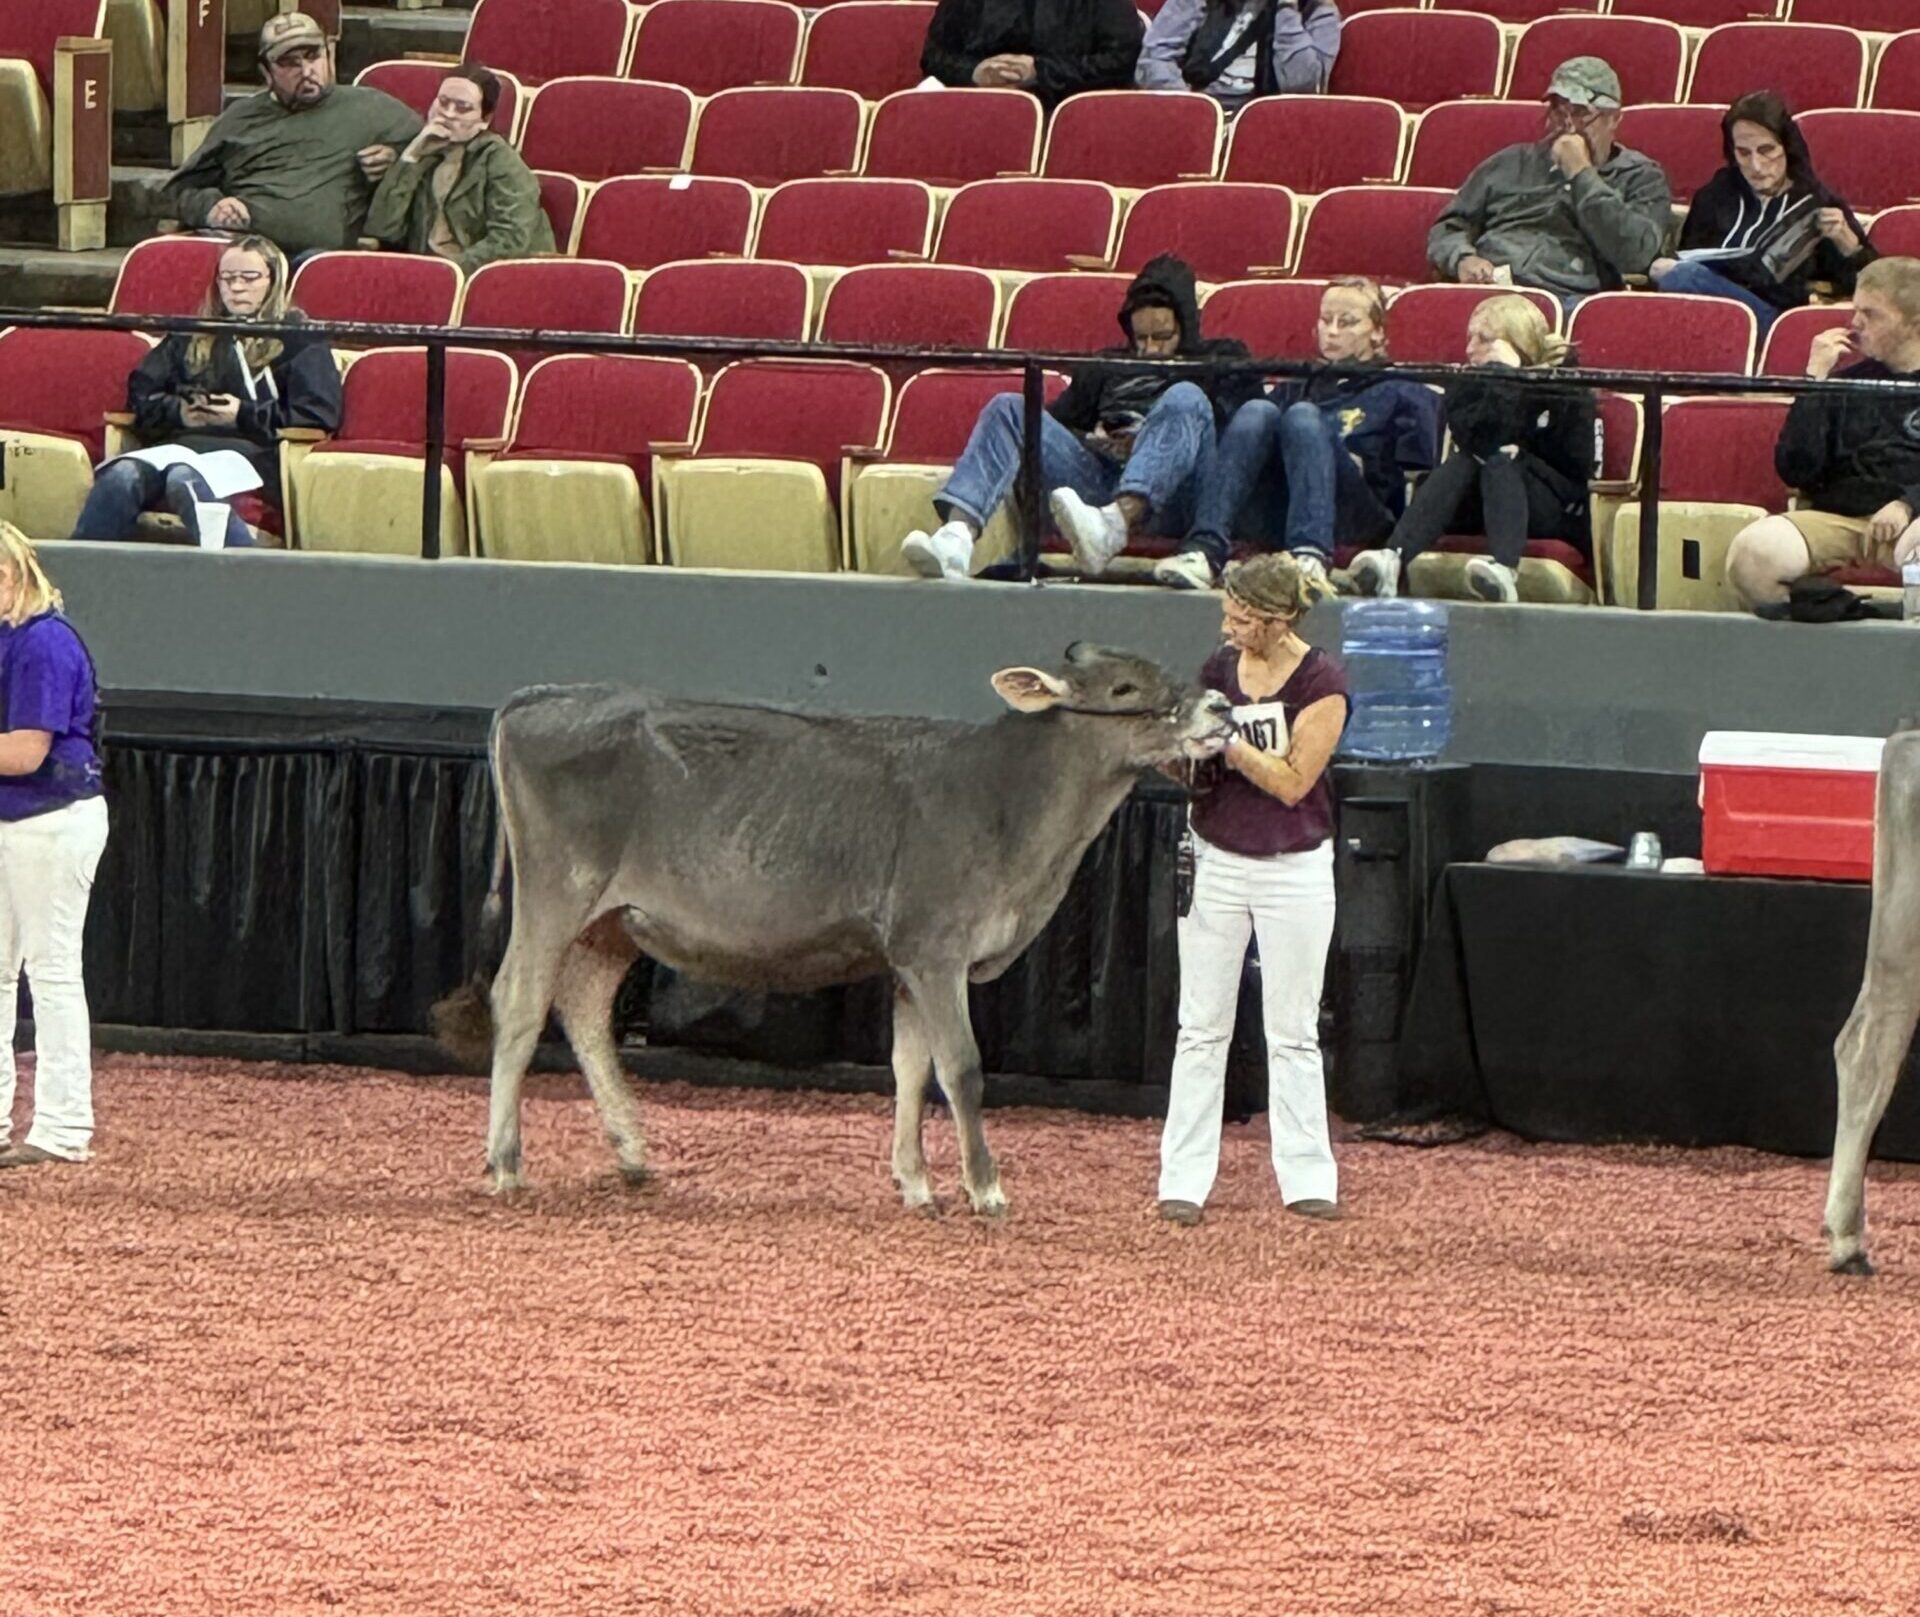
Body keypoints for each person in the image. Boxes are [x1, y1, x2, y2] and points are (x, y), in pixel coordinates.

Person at [1159, 552, 1347, 1227]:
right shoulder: (1218, 670)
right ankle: (1182, 1177)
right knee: (1200, 1025)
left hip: (1293, 866)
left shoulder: (1322, 681)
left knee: (1291, 1028)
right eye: (1227, 613)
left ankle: (1306, 1174)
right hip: (1216, 856)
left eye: (1241, 617)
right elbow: (1199, 769)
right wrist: (1178, 750)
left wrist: (1229, 744)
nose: (1228, 625)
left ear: (1275, 621)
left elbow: (1296, 781)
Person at [901, 255, 1258, 580]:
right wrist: (1095, 440)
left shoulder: (1222, 358)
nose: (1150, 349)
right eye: (1141, 338)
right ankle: (957, 537)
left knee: (1185, 398)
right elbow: (1056, 425)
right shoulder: (1107, 365)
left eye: (1162, 337)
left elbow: (1244, 443)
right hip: (1102, 486)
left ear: (1187, 326)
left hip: (1180, 496)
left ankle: (1116, 523)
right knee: (1011, 408)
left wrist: (1152, 441)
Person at [1157, 278, 1441, 591]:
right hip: (1280, 510)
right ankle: (1205, 550)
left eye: (1347, 323)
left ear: (1377, 332)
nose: (1332, 331)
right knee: (1257, 410)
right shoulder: (1292, 388)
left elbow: (1417, 485)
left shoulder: (1404, 391)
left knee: (1303, 416)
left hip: (1357, 516)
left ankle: (1310, 554)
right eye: (1325, 320)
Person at [70, 237, 342, 550]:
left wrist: (241, 414)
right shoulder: (192, 331)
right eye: (227, 278)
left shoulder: (300, 341)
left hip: (253, 453)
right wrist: (179, 412)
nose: (236, 287)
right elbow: (142, 395)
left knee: (185, 479)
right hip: (177, 446)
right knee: (120, 476)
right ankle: (80, 577)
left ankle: (239, 575)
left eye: (249, 278)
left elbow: (317, 414)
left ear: (273, 281)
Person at [1348, 293, 1593, 604]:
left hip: (1544, 506)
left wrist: (1523, 457)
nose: (1470, 349)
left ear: (1518, 343)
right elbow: (1477, 440)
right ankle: (1392, 559)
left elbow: (1575, 471)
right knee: (1471, 459)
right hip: (1477, 500)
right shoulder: (1468, 388)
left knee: (1500, 461)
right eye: (1470, 338)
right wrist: (1503, 379)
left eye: (1485, 339)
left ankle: (1505, 568)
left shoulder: (1568, 389)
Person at [0, 525, 108, 1170]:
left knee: (52, 971)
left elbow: (24, 752)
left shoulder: (44, 642)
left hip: (51, 817)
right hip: (18, 816)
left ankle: (64, 1126)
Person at [1725, 257, 1920, 612]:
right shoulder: (1844, 383)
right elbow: (1797, 470)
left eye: (1871, 314)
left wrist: (1909, 502)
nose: (1855, 323)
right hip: (1840, 519)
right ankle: (1852, 616)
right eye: (1854, 310)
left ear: (1914, 323)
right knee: (1751, 556)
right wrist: (1814, 382)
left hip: (1914, 521)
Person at [161, 13, 422, 260]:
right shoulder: (240, 118)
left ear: (329, 56)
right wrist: (210, 208)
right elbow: (175, 193)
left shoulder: (372, 108)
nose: (306, 70)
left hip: (323, 261)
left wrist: (395, 161)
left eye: (313, 56)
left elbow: (436, 153)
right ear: (266, 73)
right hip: (247, 257)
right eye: (289, 63)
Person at [1427, 57, 1671, 302]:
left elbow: (1635, 255)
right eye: (1558, 110)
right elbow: (1450, 226)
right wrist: (1461, 258)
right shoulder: (1510, 163)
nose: (1568, 126)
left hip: (1567, 296)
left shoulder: (1640, 177)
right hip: (1490, 287)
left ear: (1614, 118)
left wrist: (1581, 173)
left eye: (1580, 113)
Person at [1650, 92, 1876, 334]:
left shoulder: (1816, 202)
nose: (1756, 166)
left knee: (1681, 275)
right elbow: (1692, 254)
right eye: (1744, 153)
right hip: (1703, 311)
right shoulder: (1716, 194)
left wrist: (1849, 245)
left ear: (1786, 148)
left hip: (1773, 318)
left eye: (1766, 150)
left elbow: (1871, 288)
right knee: (1676, 274)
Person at [363, 65, 554, 271]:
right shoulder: (423, 151)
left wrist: (447, 272)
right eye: (443, 103)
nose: (448, 114)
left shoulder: (503, 163)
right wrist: (411, 158)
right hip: (425, 271)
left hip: (482, 276)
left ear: (484, 120)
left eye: (463, 108)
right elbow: (382, 228)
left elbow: (509, 241)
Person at [919, 0, 1143, 108]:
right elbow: (933, 55)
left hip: (1065, 104)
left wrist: (1040, 71)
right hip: (976, 102)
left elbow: (1121, 60)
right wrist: (975, 72)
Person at [1136, 0, 1341, 108]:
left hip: (1269, 122)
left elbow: (1301, 86)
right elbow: (1155, 57)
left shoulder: (1318, 12)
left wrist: (1285, 9)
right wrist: (1192, 107)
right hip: (1197, 104)